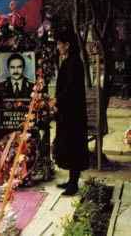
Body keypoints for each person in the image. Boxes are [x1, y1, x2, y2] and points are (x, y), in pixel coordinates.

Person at [53, 29, 89, 196]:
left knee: (74, 146)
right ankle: (71, 180)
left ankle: (73, 184)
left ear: (67, 45)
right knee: (68, 145)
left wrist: (57, 100)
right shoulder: (68, 61)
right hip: (67, 112)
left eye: (60, 44)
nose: (58, 47)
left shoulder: (74, 62)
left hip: (73, 114)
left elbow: (70, 89)